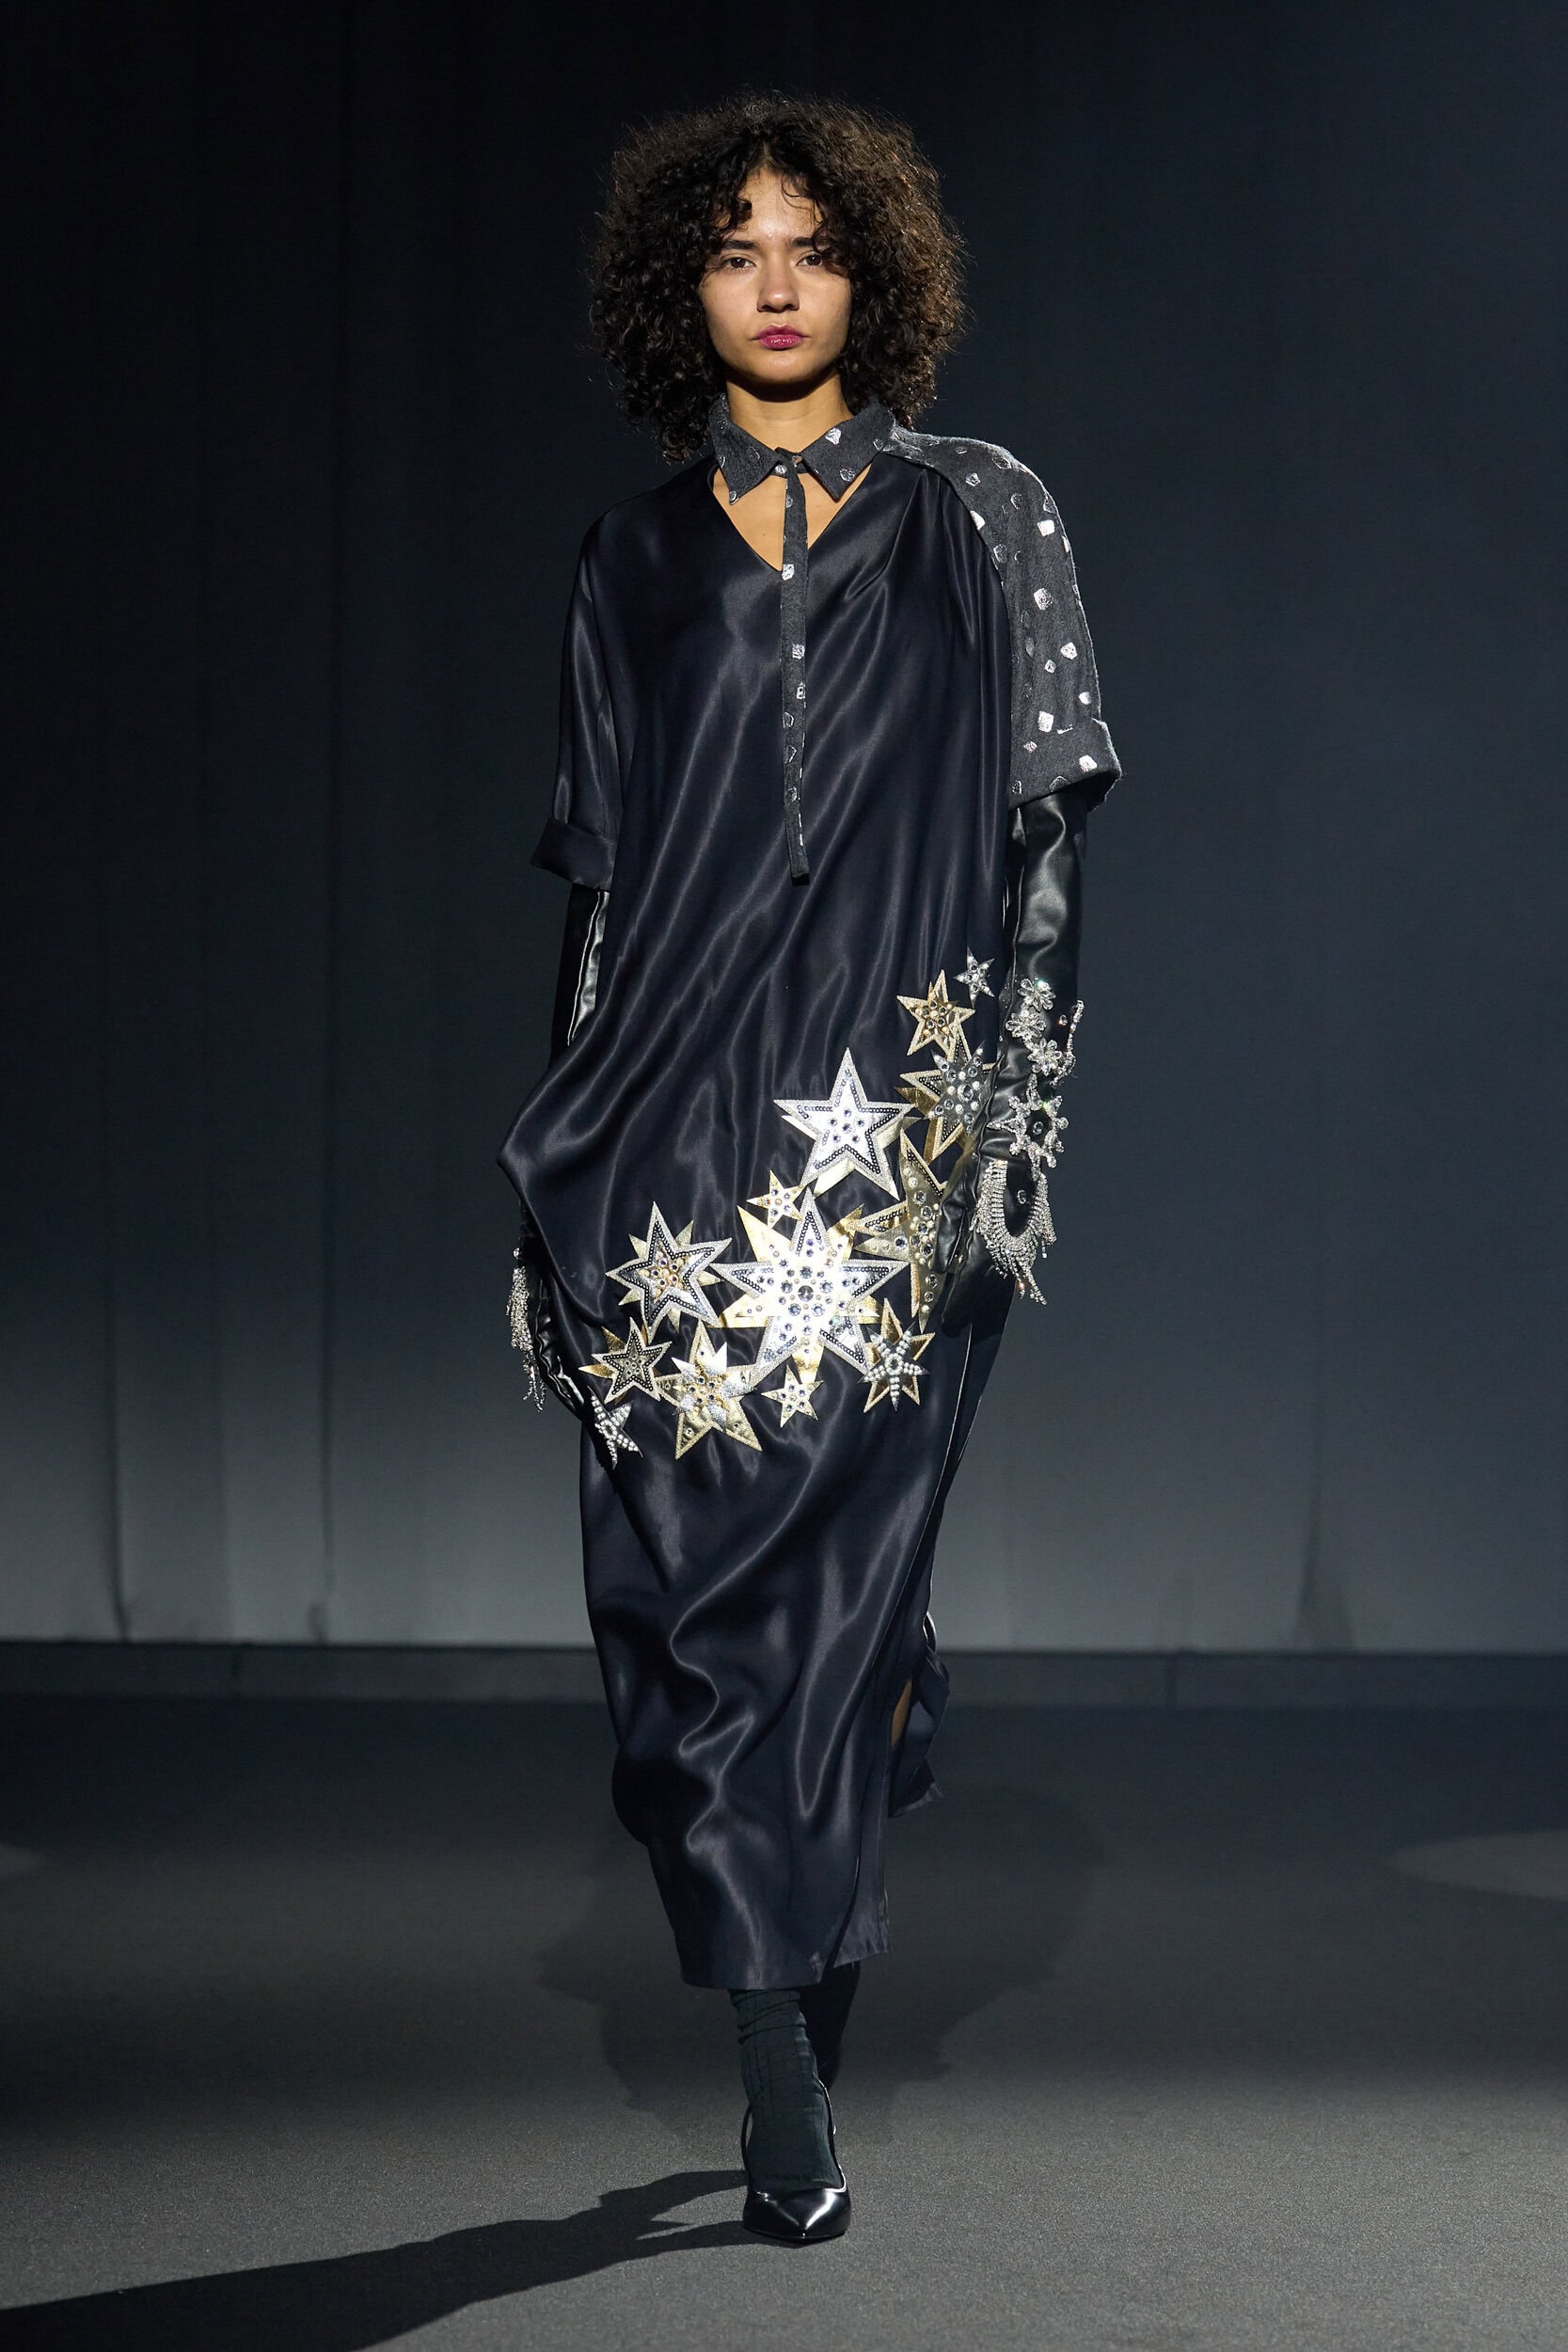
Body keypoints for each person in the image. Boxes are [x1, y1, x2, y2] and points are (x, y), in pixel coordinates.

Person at [500, 94, 1118, 2245]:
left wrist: (1012, 1128)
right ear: (677, 286)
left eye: (814, 243)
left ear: (878, 273)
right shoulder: (629, 555)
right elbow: (601, 891)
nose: (775, 281)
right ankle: (784, 2013)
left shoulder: (983, 512)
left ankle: (782, 2045)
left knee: (837, 1607)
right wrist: (546, 1168)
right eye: (733, 246)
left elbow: (1046, 841)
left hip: (890, 1141)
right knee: (675, 1609)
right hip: (656, 1132)